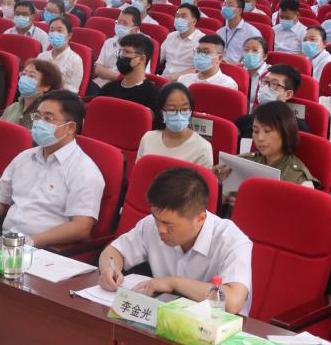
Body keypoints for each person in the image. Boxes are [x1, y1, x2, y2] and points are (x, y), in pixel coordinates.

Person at [98, 167, 252, 313]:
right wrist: (109, 269)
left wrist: (173, 283)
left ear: (200, 219)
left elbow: (233, 301)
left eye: (168, 224)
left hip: (214, 326)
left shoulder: (232, 240)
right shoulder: (154, 223)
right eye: (156, 218)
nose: (160, 229)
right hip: (164, 318)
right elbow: (113, 251)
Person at [0, 90, 105, 249]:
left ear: (70, 127)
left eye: (48, 118)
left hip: (45, 250)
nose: (39, 123)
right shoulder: (24, 157)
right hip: (6, 242)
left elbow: (81, 227)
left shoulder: (84, 171)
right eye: (37, 117)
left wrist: (30, 242)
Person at [214, 101, 317, 192]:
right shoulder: (241, 162)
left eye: (267, 131)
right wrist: (216, 180)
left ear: (286, 133)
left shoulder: (299, 180)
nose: (260, 138)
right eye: (256, 131)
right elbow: (219, 202)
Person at [136, 83, 213, 169]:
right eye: (172, 110)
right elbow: (138, 173)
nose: (179, 115)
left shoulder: (203, 148)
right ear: (162, 112)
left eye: (184, 109)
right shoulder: (148, 138)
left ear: (191, 111)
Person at [235, 64, 310, 140]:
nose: (265, 88)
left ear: (288, 94)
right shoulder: (245, 121)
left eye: (274, 84)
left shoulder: (296, 127)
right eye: (265, 81)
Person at [97, 33, 159, 111]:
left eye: (126, 52)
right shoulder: (108, 89)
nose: (121, 56)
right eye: (120, 52)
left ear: (141, 59)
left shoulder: (154, 95)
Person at [0, 58, 63, 128]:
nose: (24, 79)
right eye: (23, 74)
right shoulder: (12, 108)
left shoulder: (46, 114)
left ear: (46, 86)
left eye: (31, 76)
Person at [94, 6, 143, 87]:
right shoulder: (109, 42)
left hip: (123, 88)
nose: (120, 26)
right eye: (119, 22)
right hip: (99, 84)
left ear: (136, 29)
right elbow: (98, 69)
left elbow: (138, 78)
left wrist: (113, 77)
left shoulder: (142, 49)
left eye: (125, 24)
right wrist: (118, 77)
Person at [37, 16, 83, 92]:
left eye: (59, 30)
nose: (55, 34)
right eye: (52, 30)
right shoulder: (42, 56)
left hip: (61, 97)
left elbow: (72, 91)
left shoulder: (75, 60)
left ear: (69, 35)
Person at [216, 0, 263, 65]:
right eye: (224, 5)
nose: (225, 8)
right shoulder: (219, 33)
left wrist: (241, 64)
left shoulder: (252, 33)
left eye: (230, 5)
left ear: (240, 10)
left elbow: (257, 57)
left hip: (241, 68)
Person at [158, 4, 201, 79]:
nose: (179, 19)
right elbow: (158, 59)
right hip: (164, 78)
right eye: (177, 16)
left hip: (185, 80)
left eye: (183, 16)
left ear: (194, 21)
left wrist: (177, 76)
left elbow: (200, 69)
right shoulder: (170, 36)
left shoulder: (201, 41)